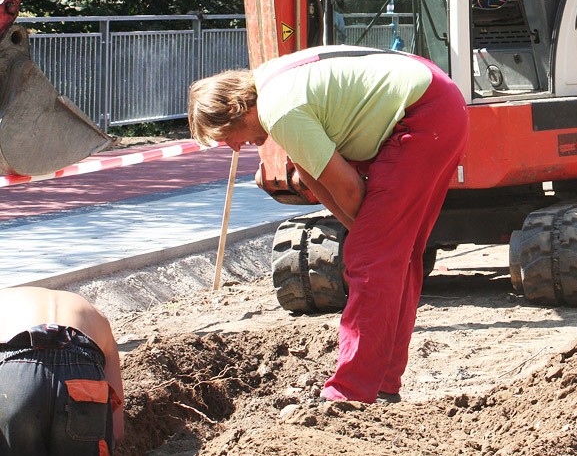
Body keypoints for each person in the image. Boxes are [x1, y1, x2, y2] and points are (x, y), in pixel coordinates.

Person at [187, 46, 469, 405]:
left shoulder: (282, 111)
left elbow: (349, 189)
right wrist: (375, 234)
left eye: (226, 136)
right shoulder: (271, 84)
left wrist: (370, 239)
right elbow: (317, 178)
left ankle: (350, 392)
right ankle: (382, 382)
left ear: (236, 111)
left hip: (423, 118)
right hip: (437, 106)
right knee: (393, 255)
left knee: (371, 259)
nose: (232, 147)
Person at [0, 287, 124, 455]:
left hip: (18, 374)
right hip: (83, 373)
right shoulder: (96, 315)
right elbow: (117, 432)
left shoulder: (4, 300)